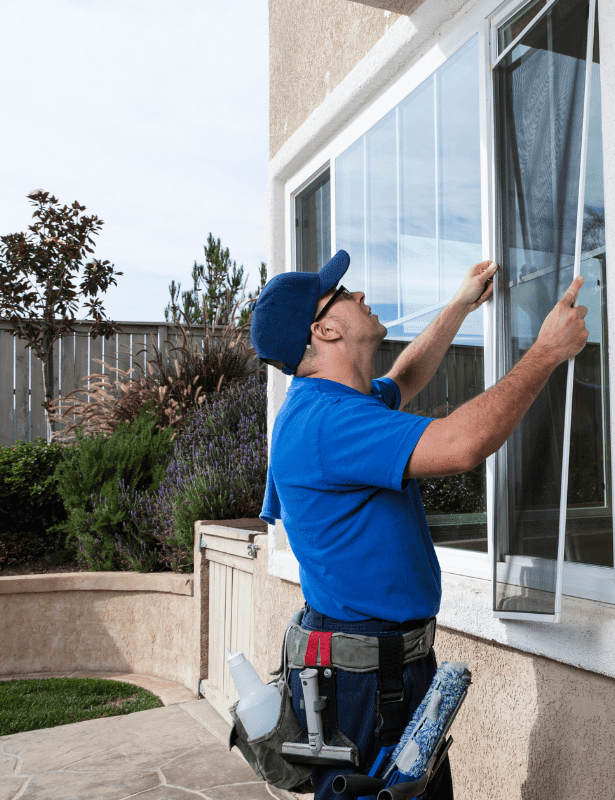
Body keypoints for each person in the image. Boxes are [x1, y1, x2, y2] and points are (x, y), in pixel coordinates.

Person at [250, 250, 588, 800]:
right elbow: (460, 446)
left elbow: (404, 378)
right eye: (345, 294)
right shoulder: (328, 424)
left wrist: (457, 307)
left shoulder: (339, 402)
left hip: (384, 667)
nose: (360, 296)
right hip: (363, 684)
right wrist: (546, 352)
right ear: (326, 328)